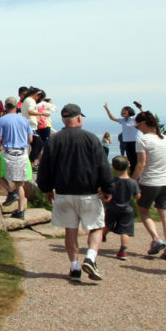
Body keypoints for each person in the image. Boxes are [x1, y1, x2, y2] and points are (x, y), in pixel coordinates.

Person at [38, 103, 114, 282]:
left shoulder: (54, 140)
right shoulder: (91, 139)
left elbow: (44, 168)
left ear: (64, 119)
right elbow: (103, 166)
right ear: (79, 118)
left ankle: (74, 267)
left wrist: (47, 189)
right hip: (88, 193)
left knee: (70, 232)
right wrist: (108, 188)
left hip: (63, 194)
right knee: (96, 227)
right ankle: (90, 257)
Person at [132, 110, 166, 260]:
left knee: (144, 211)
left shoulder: (143, 140)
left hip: (149, 181)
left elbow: (141, 164)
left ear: (143, 124)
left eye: (138, 126)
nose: (138, 129)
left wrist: (133, 181)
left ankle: (156, 239)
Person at [0, 97, 33, 219]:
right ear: (17, 106)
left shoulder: (2, 120)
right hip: (21, 153)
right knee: (19, 184)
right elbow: (30, 139)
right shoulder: (24, 120)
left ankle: (10, 192)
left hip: (8, 152)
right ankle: (20, 211)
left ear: (6, 106)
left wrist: (2, 143)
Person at [103, 156, 141, 260]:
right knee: (125, 230)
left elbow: (104, 192)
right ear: (129, 165)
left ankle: (102, 235)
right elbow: (138, 196)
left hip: (112, 207)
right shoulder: (133, 182)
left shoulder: (112, 181)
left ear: (114, 168)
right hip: (127, 209)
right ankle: (123, 251)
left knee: (107, 224)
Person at [103, 102, 144, 171]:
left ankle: (138, 177)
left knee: (137, 161)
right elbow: (112, 118)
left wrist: (140, 108)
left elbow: (144, 115)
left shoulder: (134, 118)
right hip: (127, 143)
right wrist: (107, 109)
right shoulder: (123, 120)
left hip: (136, 142)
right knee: (131, 161)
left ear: (129, 111)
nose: (123, 112)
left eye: (125, 110)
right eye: (122, 110)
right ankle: (133, 176)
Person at [21, 87, 48, 165]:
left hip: (30, 124)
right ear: (36, 94)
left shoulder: (27, 100)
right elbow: (30, 111)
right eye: (38, 96)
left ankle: (31, 162)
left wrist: (37, 120)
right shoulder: (31, 101)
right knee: (38, 144)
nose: (38, 98)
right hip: (30, 126)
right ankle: (31, 162)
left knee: (36, 144)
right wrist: (42, 114)